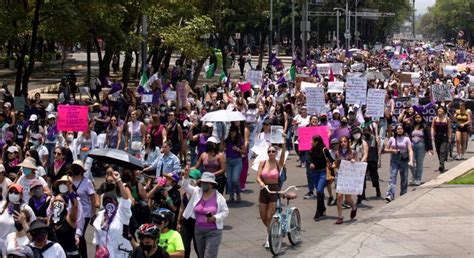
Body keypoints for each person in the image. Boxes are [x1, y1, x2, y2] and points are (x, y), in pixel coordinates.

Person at [181, 171, 229, 258]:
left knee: (209, 256)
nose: (204, 185)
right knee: (201, 255)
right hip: (198, 230)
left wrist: (215, 217)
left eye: (206, 183)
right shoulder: (196, 192)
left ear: (211, 184)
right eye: (202, 182)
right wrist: (186, 176)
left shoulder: (219, 197)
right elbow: (185, 186)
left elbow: (225, 212)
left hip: (213, 231)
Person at [92, 171, 133, 257]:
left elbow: (126, 199)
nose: (109, 203)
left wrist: (118, 180)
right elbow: (98, 242)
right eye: (106, 201)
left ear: (116, 202)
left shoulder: (121, 214)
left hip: (119, 254)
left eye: (111, 201)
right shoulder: (99, 217)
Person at [256, 143, 286, 248]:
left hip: (274, 190)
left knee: (269, 216)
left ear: (276, 153)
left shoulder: (278, 163)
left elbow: (283, 156)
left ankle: (269, 236)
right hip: (264, 190)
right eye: (269, 151)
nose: (271, 153)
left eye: (273, 151)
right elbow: (258, 177)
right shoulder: (262, 163)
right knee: (263, 216)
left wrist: (284, 143)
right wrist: (261, 183)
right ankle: (273, 229)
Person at [0, 183, 37, 256]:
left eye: (16, 192)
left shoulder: (26, 208)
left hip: (19, 246)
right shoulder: (1, 206)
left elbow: (34, 226)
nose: (13, 194)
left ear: (21, 195)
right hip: (2, 246)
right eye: (11, 192)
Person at [70, 160, 96, 258]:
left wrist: (93, 215)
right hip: (73, 212)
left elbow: (92, 200)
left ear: (81, 170)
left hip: (85, 213)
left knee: (80, 234)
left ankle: (84, 255)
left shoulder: (87, 182)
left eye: (77, 168)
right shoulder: (69, 180)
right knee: (74, 234)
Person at [384, 124, 414, 202]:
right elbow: (385, 149)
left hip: (404, 159)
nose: (399, 130)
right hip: (394, 159)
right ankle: (390, 195)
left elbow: (410, 150)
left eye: (401, 129)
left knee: (404, 177)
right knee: (392, 177)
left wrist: (411, 160)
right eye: (398, 129)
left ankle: (403, 194)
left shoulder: (406, 139)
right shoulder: (392, 139)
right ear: (395, 130)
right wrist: (392, 150)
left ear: (403, 130)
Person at [307, 135, 334, 221]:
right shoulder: (311, 150)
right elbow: (309, 159)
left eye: (312, 141)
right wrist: (310, 163)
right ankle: (322, 208)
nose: (311, 142)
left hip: (323, 172)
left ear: (316, 142)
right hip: (315, 173)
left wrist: (331, 165)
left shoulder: (324, 150)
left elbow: (331, 160)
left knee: (319, 189)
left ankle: (318, 212)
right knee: (319, 191)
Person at [48, 188, 79, 257]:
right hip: (55, 254)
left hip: (70, 254)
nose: (57, 203)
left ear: (66, 204)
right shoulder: (51, 219)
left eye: (60, 201)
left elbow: (75, 206)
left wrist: (70, 190)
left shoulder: (69, 218)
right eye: (55, 201)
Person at [334, 136, 358, 225]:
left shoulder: (353, 153)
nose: (343, 143)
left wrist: (353, 161)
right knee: (339, 197)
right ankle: (340, 217)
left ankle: (354, 207)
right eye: (341, 142)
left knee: (348, 199)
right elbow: (336, 164)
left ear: (348, 142)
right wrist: (333, 166)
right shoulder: (337, 153)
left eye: (345, 141)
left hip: (349, 177)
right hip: (340, 176)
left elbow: (357, 165)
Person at [177, 169, 200, 258]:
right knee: (185, 246)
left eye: (192, 178)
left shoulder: (199, 192)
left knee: (198, 247)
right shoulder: (185, 193)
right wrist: (179, 221)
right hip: (186, 221)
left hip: (197, 222)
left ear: (198, 180)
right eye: (189, 177)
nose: (190, 180)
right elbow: (182, 207)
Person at [409, 113, 434, 186]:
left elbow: (428, 138)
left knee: (419, 163)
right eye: (416, 117)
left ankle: (418, 179)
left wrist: (430, 148)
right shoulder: (411, 126)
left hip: (421, 146)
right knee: (410, 163)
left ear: (422, 118)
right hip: (412, 146)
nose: (417, 118)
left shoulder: (425, 126)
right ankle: (414, 175)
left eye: (419, 117)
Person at [224, 125, 244, 203]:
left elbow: (244, 151)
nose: (232, 133)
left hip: (237, 161)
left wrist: (238, 149)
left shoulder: (240, 140)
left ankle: (238, 193)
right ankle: (231, 195)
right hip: (228, 161)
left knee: (235, 179)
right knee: (229, 180)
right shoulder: (227, 140)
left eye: (233, 131)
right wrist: (222, 140)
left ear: (236, 132)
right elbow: (221, 149)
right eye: (231, 131)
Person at [363, 128, 382, 197]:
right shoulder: (362, 139)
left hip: (373, 159)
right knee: (363, 177)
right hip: (364, 160)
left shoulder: (375, 139)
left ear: (370, 132)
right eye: (365, 132)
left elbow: (379, 150)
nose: (366, 133)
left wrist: (379, 161)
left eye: (367, 131)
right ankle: (363, 194)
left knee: (374, 176)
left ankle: (378, 189)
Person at [431, 106, 451, 172]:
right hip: (437, 136)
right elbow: (433, 127)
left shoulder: (447, 119)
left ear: (444, 111)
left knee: (442, 151)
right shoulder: (435, 118)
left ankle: (441, 165)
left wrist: (449, 137)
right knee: (439, 151)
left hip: (444, 136)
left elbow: (449, 129)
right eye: (438, 109)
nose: (439, 110)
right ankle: (441, 163)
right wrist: (432, 135)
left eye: (441, 109)